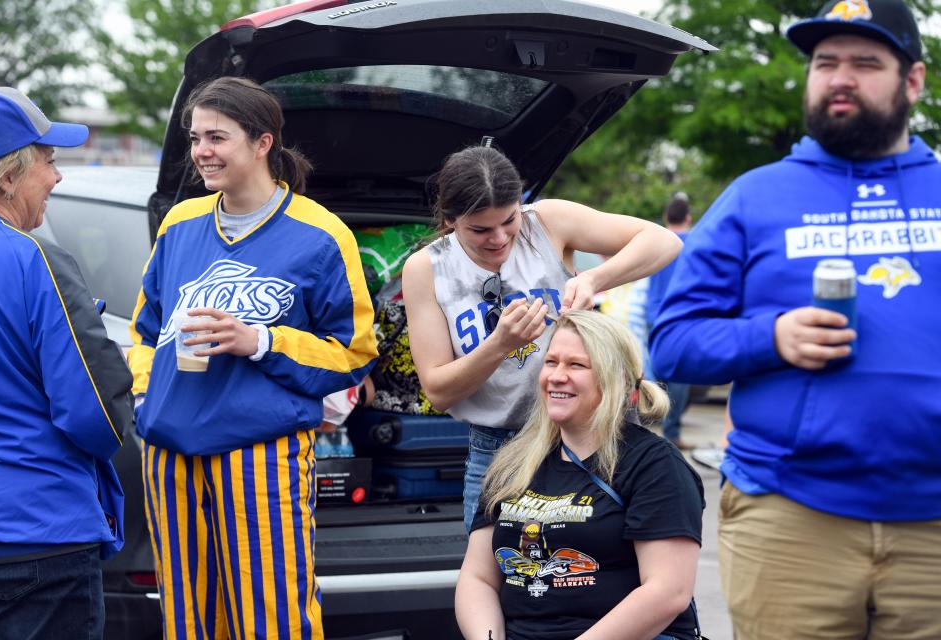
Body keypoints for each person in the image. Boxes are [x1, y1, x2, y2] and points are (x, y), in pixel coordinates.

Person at [649, 0, 941, 636]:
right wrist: (770, 336)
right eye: (825, 62)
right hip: (789, 517)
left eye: (866, 62)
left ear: (912, 80)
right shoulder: (756, 196)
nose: (841, 77)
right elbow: (669, 344)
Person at [128, 77, 377, 640]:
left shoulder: (321, 234)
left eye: (217, 137)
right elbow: (145, 330)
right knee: (188, 619)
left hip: (260, 452)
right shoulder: (179, 222)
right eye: (195, 139)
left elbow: (354, 353)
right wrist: (146, 399)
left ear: (263, 143)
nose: (201, 152)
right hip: (170, 451)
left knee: (272, 618)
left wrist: (261, 340)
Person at [402, 145, 683, 532]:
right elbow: (438, 389)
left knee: (598, 569)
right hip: (498, 447)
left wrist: (593, 279)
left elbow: (665, 242)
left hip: (589, 436)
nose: (499, 239)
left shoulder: (548, 221)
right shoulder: (426, 269)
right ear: (450, 220)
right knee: (498, 573)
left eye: (509, 220)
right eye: (480, 230)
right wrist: (500, 345)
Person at [0, 87, 133, 639]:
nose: (57, 177)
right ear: (6, 177)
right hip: (39, 535)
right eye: (47, 161)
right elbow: (93, 410)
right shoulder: (36, 262)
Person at [455, 311, 704, 640]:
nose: (557, 376)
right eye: (551, 362)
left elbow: (667, 592)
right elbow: (478, 578)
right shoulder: (513, 463)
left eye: (576, 365)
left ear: (617, 381)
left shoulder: (654, 464)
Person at [644, 194, 693, 450]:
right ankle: (672, 432)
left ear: (666, 218)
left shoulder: (657, 241)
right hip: (681, 318)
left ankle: (648, 428)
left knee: (655, 371)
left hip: (654, 315)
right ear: (688, 218)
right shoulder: (694, 245)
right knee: (680, 377)